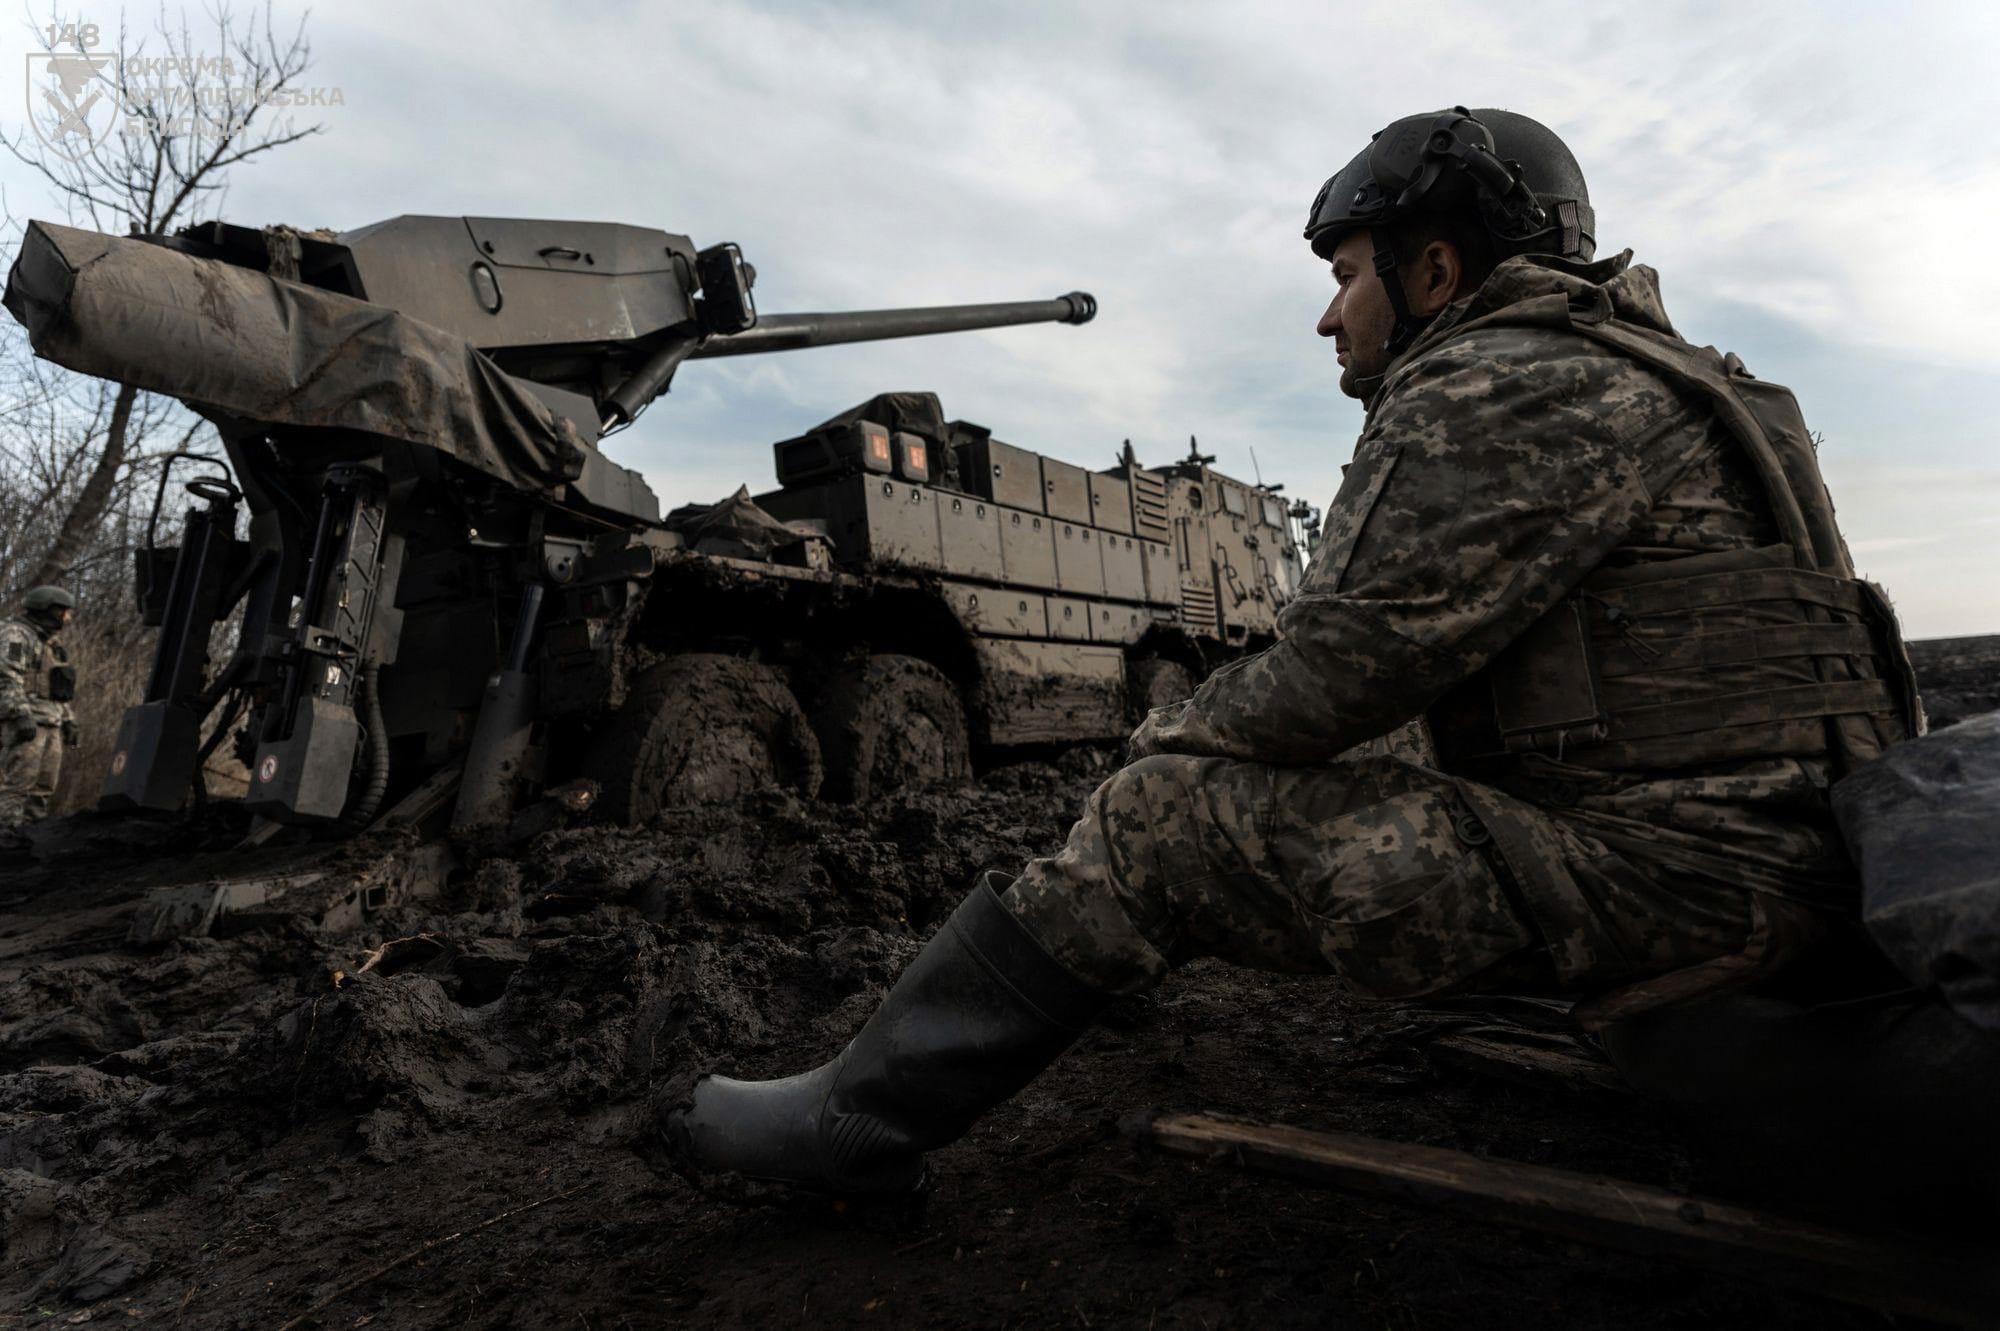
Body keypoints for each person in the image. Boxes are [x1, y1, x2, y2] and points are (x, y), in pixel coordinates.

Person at [664, 107, 1921, 1195]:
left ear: (1434, 269)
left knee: (1160, 814)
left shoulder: (1494, 383)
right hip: (1791, 857)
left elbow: (1328, 676)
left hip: (1694, 888)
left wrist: (1141, 757)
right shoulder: (1696, 380)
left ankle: (855, 1122)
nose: (1329, 315)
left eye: (1347, 273)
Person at [0, 584, 79, 827]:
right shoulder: (16, 635)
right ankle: (6, 836)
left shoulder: (51, 643)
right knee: (18, 784)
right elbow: (6, 677)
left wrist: (68, 719)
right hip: (27, 721)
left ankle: (31, 834)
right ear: (46, 609)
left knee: (44, 786)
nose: (66, 618)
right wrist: (20, 715)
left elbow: (57, 689)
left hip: (51, 721)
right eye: (62, 612)